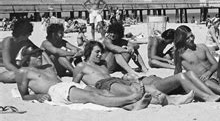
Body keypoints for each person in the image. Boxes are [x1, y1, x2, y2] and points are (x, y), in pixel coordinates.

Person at [15, 46, 151, 110]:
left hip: (67, 85)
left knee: (103, 93)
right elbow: (24, 96)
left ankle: (133, 106)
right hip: (56, 91)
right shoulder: (24, 71)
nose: (39, 56)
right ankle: (131, 98)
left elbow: (44, 50)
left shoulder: (47, 67)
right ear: (27, 59)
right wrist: (36, 97)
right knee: (91, 97)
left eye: (39, 54)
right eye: (35, 55)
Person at [73, 41, 195, 105]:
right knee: (133, 92)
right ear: (89, 52)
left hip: (117, 80)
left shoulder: (103, 63)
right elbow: (75, 85)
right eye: (97, 52)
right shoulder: (81, 66)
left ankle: (173, 100)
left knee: (147, 88)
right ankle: (167, 101)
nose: (100, 55)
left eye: (100, 52)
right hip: (104, 85)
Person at [174, 25, 220, 97]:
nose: (191, 39)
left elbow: (215, 64)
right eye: (187, 38)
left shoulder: (202, 47)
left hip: (218, 76)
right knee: (206, 82)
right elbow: (178, 72)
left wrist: (209, 72)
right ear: (181, 39)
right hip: (205, 82)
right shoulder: (179, 54)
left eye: (191, 35)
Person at [0, 19, 42, 83]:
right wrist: (19, 72)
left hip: (11, 66)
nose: (30, 34)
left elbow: (38, 50)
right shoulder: (8, 41)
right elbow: (7, 64)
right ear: (23, 33)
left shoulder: (25, 41)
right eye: (29, 33)